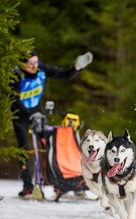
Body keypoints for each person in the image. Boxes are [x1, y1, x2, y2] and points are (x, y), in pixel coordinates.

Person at [10, 49, 93, 197]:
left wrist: (76, 68)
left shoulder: (42, 69)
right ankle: (28, 185)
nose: (34, 65)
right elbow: (15, 101)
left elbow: (63, 75)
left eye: (36, 62)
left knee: (50, 144)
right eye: (30, 63)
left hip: (38, 112)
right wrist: (31, 115)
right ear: (22, 64)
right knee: (23, 148)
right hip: (20, 115)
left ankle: (58, 182)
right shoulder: (16, 75)